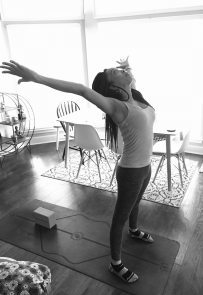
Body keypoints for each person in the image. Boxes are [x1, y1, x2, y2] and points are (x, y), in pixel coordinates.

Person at [0, 56, 155, 283]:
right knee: (119, 217)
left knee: (136, 203)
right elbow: (81, 90)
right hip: (131, 170)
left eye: (119, 69)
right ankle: (116, 264)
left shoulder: (136, 98)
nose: (122, 71)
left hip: (145, 166)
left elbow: (130, 76)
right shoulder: (116, 106)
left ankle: (134, 230)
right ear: (112, 87)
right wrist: (37, 78)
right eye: (116, 71)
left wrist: (124, 69)